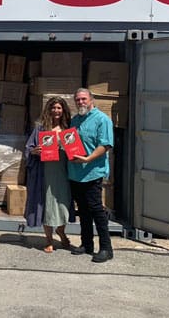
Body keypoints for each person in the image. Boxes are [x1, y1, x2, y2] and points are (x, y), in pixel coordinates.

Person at [68, 88, 114, 263]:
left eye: (83, 99)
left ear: (91, 100)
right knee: (84, 211)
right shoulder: (75, 120)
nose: (80, 102)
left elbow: (105, 145)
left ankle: (106, 248)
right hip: (76, 173)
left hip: (92, 172)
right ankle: (86, 244)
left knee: (96, 210)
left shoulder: (102, 119)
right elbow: (70, 142)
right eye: (77, 99)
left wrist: (88, 158)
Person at [24, 96, 74, 253]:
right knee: (47, 205)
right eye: (53, 108)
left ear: (63, 110)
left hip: (63, 172)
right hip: (45, 172)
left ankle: (61, 231)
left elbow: (76, 149)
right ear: (48, 109)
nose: (56, 111)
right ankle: (49, 240)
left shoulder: (68, 128)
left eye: (59, 108)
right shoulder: (41, 128)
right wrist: (34, 151)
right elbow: (29, 148)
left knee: (63, 204)